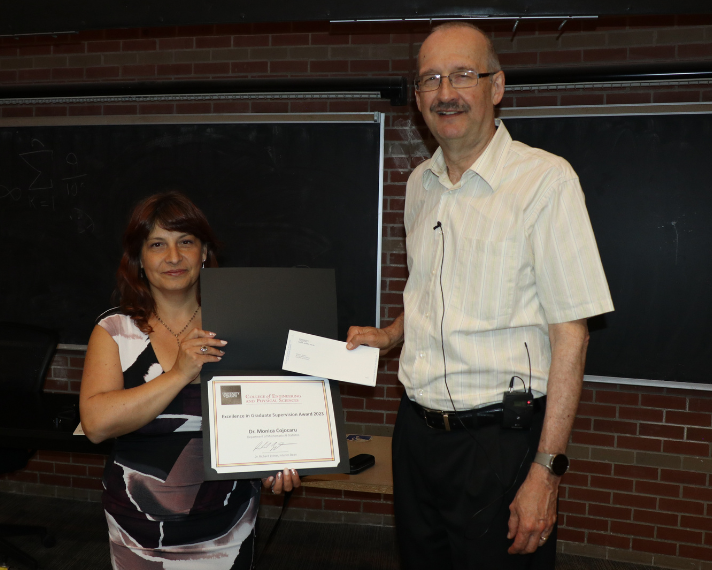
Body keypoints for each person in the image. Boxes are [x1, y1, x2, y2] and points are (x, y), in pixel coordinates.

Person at [346, 22, 614, 569]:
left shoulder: (546, 182)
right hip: (416, 437)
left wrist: (546, 469)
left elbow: (572, 336)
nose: (446, 92)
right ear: (418, 98)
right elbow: (434, 289)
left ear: (496, 87)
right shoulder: (418, 184)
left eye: (463, 74)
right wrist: (391, 334)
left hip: (501, 444)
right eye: (431, 79)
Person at [80, 192, 300, 569]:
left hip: (227, 526)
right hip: (137, 531)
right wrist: (180, 373)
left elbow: (270, 415)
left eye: (185, 242)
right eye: (157, 245)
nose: (173, 257)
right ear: (139, 258)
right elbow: (97, 425)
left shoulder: (242, 323)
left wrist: (276, 461)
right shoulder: (114, 330)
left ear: (203, 253)